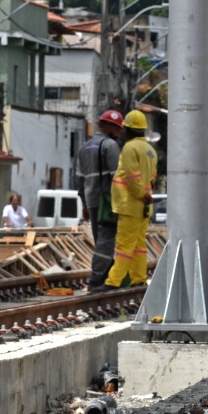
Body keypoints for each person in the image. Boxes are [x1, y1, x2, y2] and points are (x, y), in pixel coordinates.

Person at [106, 109, 159, 288]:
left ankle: (113, 281)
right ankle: (139, 278)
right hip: (143, 206)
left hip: (130, 205)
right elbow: (152, 177)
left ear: (128, 129)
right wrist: (146, 196)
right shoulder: (150, 150)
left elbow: (130, 176)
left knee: (123, 246)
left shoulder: (130, 148)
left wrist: (140, 195)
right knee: (138, 245)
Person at [78, 109, 125, 291]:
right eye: (118, 129)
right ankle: (97, 279)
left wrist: (83, 203)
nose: (120, 132)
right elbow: (117, 177)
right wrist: (120, 203)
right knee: (107, 240)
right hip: (108, 201)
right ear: (111, 127)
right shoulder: (110, 146)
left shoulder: (85, 147)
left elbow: (79, 179)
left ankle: (107, 275)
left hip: (91, 200)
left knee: (101, 240)